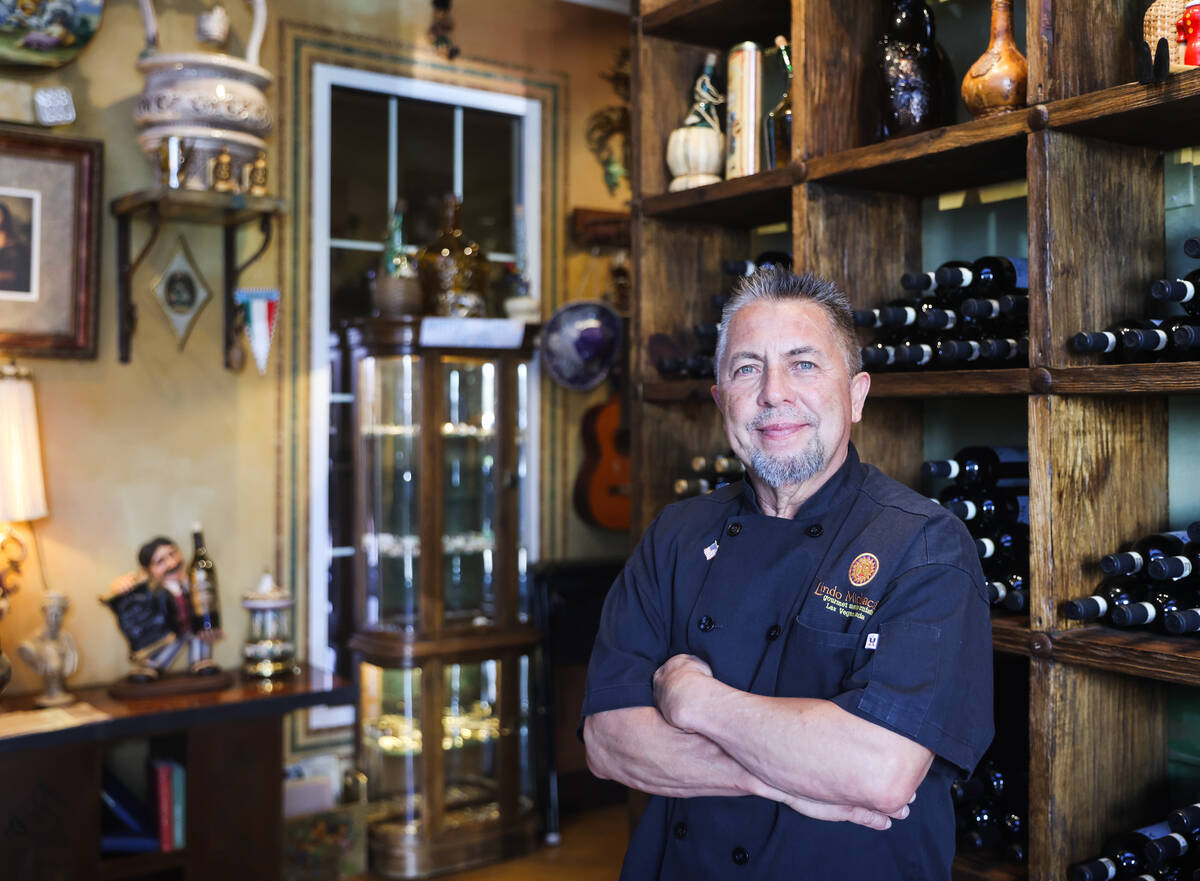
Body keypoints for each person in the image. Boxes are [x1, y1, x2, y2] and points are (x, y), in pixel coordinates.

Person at [581, 267, 994, 880]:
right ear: (722, 400)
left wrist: (695, 701)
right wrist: (788, 778)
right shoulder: (675, 533)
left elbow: (878, 772)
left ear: (855, 395)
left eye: (803, 364)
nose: (773, 393)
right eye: (748, 368)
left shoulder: (924, 545)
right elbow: (607, 741)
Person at [106, 536, 220, 679]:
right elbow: (126, 593)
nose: (172, 563)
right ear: (146, 570)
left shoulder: (192, 583)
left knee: (200, 634)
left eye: (173, 554)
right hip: (169, 632)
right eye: (160, 561)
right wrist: (121, 585)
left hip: (191, 628)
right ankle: (152, 666)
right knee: (169, 643)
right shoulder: (152, 591)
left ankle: (201, 660)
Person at [18, 592, 77, 707]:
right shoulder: (37, 639)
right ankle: (52, 691)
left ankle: (58, 691)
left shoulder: (66, 638)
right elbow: (25, 649)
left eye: (58, 615)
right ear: (45, 616)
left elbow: (71, 659)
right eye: (50, 615)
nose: (54, 620)